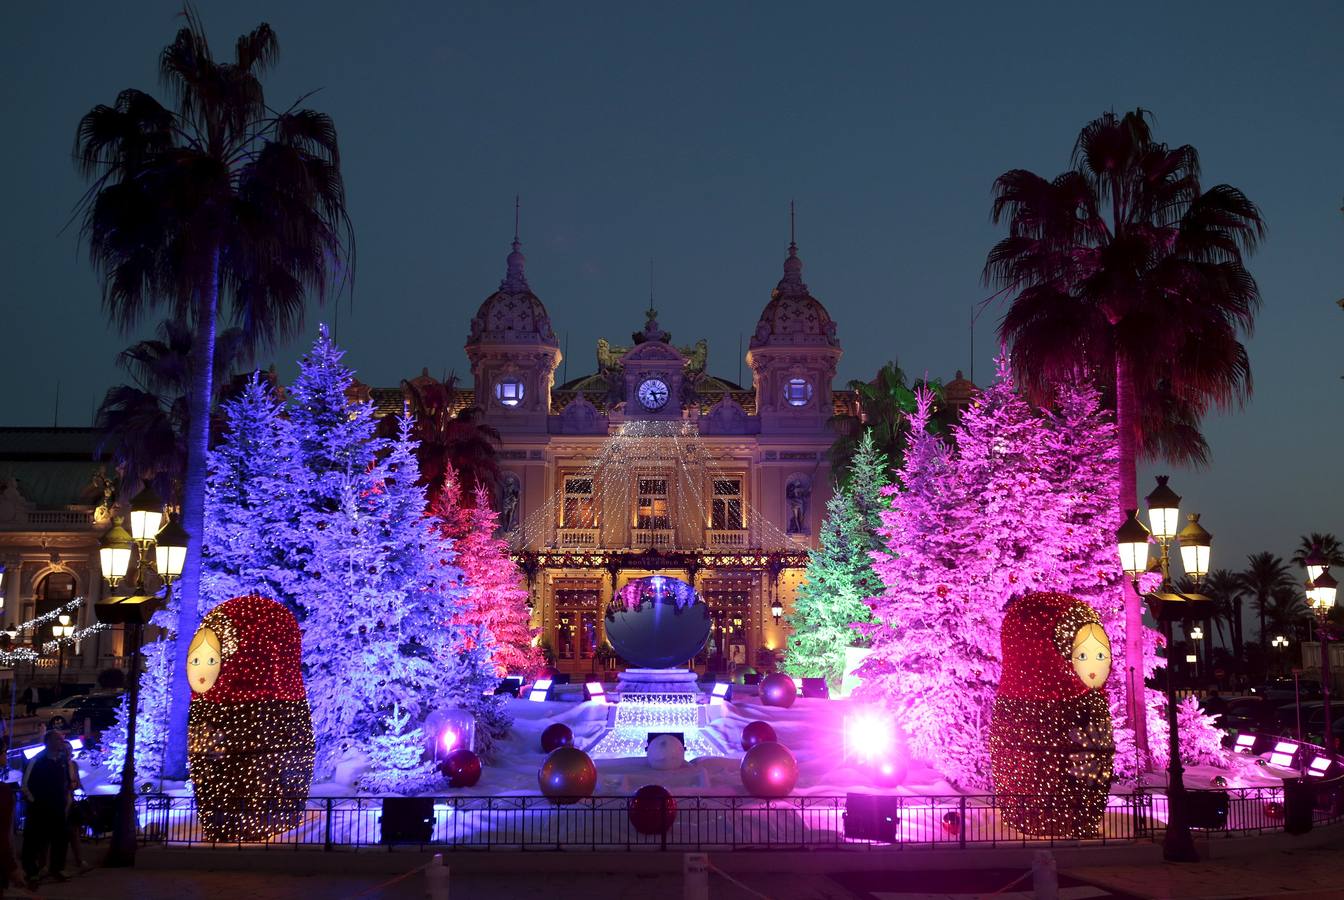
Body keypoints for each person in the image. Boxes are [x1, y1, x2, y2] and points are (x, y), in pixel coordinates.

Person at [20, 732, 69, 885]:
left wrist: (64, 801)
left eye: (62, 739)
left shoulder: (62, 761)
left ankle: (57, 868)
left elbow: (65, 782)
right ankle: (31, 871)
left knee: (59, 839)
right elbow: (25, 784)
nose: (61, 742)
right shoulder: (36, 761)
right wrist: (35, 801)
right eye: (58, 739)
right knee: (34, 841)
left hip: (57, 807)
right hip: (39, 808)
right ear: (48, 741)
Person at [62, 739, 88, 873]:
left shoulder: (74, 765)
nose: (67, 751)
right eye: (65, 749)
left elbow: (77, 781)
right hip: (61, 803)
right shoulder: (59, 764)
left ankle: (79, 860)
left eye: (69, 749)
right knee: (62, 834)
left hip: (70, 802)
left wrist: (77, 786)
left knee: (74, 833)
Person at [0, 739, 22, 894]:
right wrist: (12, 867)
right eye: (4, 753)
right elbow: (2, 835)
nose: (6, 757)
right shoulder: (3, 792)